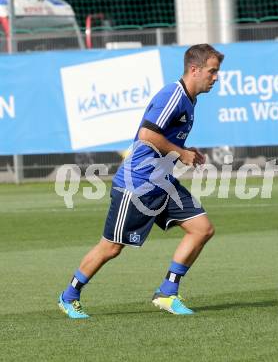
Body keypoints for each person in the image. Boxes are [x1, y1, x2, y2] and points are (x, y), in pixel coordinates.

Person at [58, 44, 224, 318]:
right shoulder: (173, 95)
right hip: (138, 184)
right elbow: (147, 135)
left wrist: (187, 150)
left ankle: (167, 292)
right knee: (111, 247)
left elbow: (163, 139)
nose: (216, 77)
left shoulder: (189, 101)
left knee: (202, 228)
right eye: (212, 71)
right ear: (194, 70)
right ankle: (69, 295)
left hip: (163, 182)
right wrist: (180, 152)